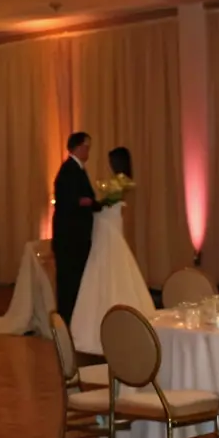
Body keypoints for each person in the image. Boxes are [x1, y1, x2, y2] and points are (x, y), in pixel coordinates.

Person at [70, 144, 155, 355]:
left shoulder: (121, 181)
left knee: (110, 264)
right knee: (107, 264)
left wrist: (94, 203)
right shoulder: (120, 180)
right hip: (107, 225)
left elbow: (109, 202)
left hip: (108, 226)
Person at [52, 131, 95, 322]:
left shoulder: (77, 169)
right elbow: (67, 200)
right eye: (87, 146)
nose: (89, 151)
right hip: (70, 238)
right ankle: (66, 322)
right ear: (78, 147)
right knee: (68, 281)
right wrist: (83, 201)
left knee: (73, 280)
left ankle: (72, 319)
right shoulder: (68, 170)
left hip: (75, 237)